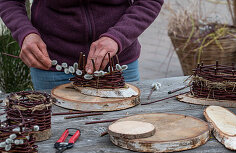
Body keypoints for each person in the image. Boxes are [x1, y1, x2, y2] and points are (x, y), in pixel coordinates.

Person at [0, 0, 163, 90]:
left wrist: (118, 36)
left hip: (118, 64)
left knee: (127, 127)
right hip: (53, 66)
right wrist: (25, 33)